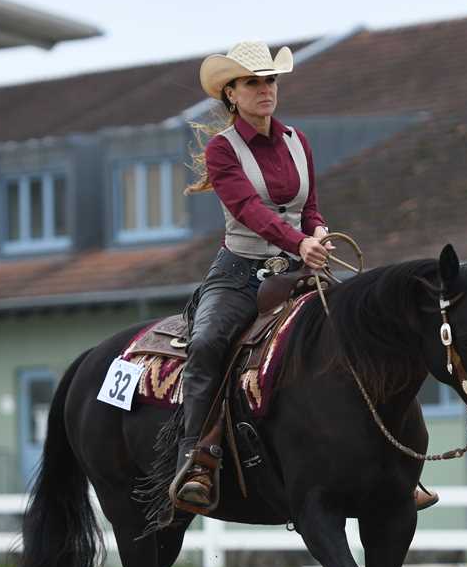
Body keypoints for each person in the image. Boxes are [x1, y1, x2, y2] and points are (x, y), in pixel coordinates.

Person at [169, 40, 438, 514]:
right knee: (208, 343)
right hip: (240, 274)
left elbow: (309, 206)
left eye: (270, 80)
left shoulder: (298, 141)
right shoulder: (222, 150)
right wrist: (299, 243)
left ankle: (398, 464)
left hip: (299, 269)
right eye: (253, 82)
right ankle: (196, 459)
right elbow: (248, 210)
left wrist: (318, 231)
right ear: (231, 93)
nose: (265, 89)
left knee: (367, 336)